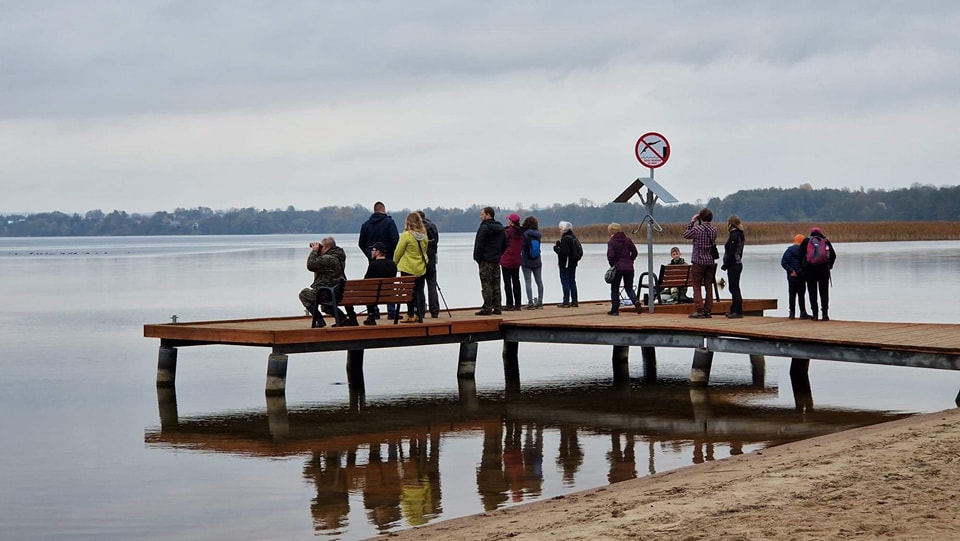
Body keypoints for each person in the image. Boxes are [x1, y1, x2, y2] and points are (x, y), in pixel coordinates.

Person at [299, 237, 358, 327]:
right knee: (326, 307)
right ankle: (342, 320)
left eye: (321, 247)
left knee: (303, 294)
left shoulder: (328, 258)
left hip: (327, 292)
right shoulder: (339, 256)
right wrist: (319, 251)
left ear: (327, 248)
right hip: (338, 290)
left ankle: (319, 320)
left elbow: (311, 265)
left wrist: (314, 251)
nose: (320, 248)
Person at [359, 201, 400, 320]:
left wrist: (370, 255)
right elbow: (395, 240)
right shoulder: (389, 222)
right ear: (384, 210)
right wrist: (388, 254)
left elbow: (361, 243)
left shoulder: (366, 225)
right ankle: (391, 311)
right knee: (389, 284)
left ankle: (374, 312)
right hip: (388, 261)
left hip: (373, 262)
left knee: (372, 284)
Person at [683, 208, 719, 319]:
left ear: (701, 217)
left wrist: (692, 222)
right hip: (710, 261)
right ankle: (708, 310)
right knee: (708, 286)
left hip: (698, 261)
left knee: (697, 286)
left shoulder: (697, 229)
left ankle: (700, 309)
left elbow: (686, 235)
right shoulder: (714, 230)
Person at [393, 212, 429, 323]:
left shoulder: (406, 235)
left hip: (407, 268)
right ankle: (420, 313)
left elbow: (398, 251)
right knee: (419, 291)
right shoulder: (424, 236)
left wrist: (394, 264)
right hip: (420, 268)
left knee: (409, 292)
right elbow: (424, 251)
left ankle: (410, 314)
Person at [473, 207, 506, 315]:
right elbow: (504, 244)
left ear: (488, 215)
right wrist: (498, 255)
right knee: (496, 284)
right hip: (496, 260)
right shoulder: (500, 228)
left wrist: (478, 258)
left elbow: (479, 244)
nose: (480, 216)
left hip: (485, 260)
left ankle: (487, 308)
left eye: (482, 214)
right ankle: (497, 307)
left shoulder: (484, 228)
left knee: (486, 284)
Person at [799, 226, 837, 321]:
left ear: (811, 233)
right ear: (820, 232)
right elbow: (833, 255)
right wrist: (830, 266)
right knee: (824, 292)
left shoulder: (806, 241)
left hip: (810, 271)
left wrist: (803, 267)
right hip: (824, 270)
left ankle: (815, 315)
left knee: (812, 292)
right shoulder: (825, 241)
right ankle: (825, 315)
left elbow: (800, 255)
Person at [605, 222, 641, 315]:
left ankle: (615, 310)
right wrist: (630, 260)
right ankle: (635, 301)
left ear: (610, 231)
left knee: (615, 287)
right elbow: (635, 252)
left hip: (617, 267)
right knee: (629, 287)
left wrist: (612, 265)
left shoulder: (611, 242)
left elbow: (610, 256)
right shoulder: (628, 240)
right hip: (629, 267)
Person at [361, 241, 398, 325]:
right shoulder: (392, 264)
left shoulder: (373, 265)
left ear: (378, 252)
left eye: (373, 250)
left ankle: (371, 315)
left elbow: (366, 281)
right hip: (389, 293)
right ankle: (392, 312)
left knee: (368, 291)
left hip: (375, 295)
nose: (371, 252)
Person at [780, 234, 811, 320]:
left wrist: (791, 270)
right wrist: (798, 272)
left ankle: (792, 313)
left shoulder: (788, 251)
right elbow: (806, 264)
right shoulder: (804, 251)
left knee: (792, 295)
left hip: (791, 277)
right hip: (801, 277)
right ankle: (803, 312)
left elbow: (783, 263)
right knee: (801, 295)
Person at [417, 210, 441, 318]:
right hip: (431, 260)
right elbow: (436, 242)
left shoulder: (416, 229)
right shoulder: (432, 227)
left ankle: (421, 311)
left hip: (419, 261)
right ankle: (434, 310)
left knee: (420, 287)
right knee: (432, 285)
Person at [721, 215, 745, 318]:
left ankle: (737, 311)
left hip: (734, 265)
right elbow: (740, 252)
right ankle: (734, 309)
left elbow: (731, 252)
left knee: (734, 288)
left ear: (731, 224)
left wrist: (725, 265)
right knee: (734, 287)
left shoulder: (734, 235)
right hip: (737, 263)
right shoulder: (740, 234)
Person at [554, 221, 580, 308]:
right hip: (573, 264)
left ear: (564, 229)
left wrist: (556, 248)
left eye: (561, 229)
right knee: (572, 281)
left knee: (565, 282)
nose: (560, 231)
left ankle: (566, 302)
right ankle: (574, 301)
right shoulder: (573, 237)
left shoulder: (565, 238)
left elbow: (563, 253)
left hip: (565, 264)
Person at [500, 213, 524, 311]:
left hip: (507, 259)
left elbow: (503, 243)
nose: (508, 221)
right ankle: (518, 304)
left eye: (509, 220)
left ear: (512, 221)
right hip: (517, 259)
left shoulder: (508, 231)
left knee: (507, 282)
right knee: (516, 281)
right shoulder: (521, 232)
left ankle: (509, 304)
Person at [520, 216, 544, 310]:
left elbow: (524, 247)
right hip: (537, 260)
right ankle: (540, 301)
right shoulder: (538, 234)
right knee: (539, 281)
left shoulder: (525, 234)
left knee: (528, 282)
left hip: (526, 261)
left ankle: (530, 303)